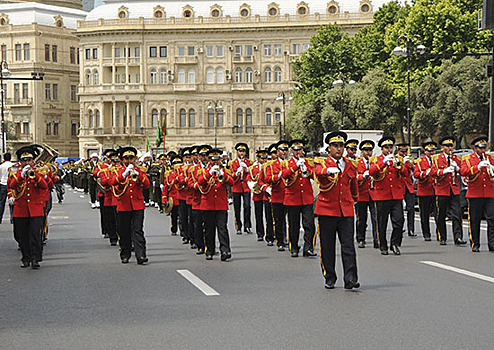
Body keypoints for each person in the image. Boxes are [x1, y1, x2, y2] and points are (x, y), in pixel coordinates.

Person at [314, 131, 359, 290]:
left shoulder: (351, 165)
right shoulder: (322, 162)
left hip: (345, 210)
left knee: (348, 246)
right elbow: (318, 173)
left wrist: (354, 200)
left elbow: (353, 186)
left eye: (341, 146)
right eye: (335, 146)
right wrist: (328, 171)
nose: (339, 149)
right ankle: (330, 276)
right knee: (327, 246)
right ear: (329, 148)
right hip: (327, 209)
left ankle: (350, 278)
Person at [8, 146, 48, 269]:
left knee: (35, 235)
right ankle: (26, 258)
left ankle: (35, 259)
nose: (27, 163)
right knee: (22, 235)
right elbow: (12, 185)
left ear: (33, 161)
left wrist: (35, 175)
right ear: (20, 162)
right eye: (24, 160)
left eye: (29, 160)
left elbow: (44, 185)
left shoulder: (39, 171)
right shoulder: (15, 171)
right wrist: (21, 175)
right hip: (21, 209)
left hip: (36, 209)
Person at [111, 147, 151, 264]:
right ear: (122, 160)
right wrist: (124, 174)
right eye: (126, 158)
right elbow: (113, 182)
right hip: (123, 205)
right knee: (124, 231)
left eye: (131, 158)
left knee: (138, 230)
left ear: (135, 158)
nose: (129, 160)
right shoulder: (118, 170)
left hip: (137, 205)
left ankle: (141, 255)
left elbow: (146, 185)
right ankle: (125, 253)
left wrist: (138, 174)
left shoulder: (140, 170)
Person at [369, 136, 406, 255]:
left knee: (399, 221)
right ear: (381, 149)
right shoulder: (375, 160)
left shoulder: (397, 158)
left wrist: (400, 166)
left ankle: (395, 243)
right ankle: (383, 245)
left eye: (391, 147)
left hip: (396, 195)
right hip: (381, 195)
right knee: (381, 223)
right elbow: (372, 171)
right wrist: (383, 162)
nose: (389, 149)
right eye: (386, 147)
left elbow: (406, 173)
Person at [197, 148, 234, 261]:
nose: (216, 162)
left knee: (222, 228)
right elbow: (200, 182)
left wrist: (224, 175)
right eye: (213, 160)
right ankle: (210, 250)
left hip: (221, 204)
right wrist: (209, 173)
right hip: (207, 204)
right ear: (209, 160)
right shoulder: (203, 171)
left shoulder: (224, 170)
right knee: (209, 229)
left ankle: (225, 250)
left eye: (217, 160)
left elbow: (232, 183)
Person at [281, 139, 316, 258]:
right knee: (294, 225)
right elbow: (284, 175)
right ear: (292, 151)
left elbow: (314, 175)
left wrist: (307, 169)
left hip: (306, 198)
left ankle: (308, 248)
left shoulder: (308, 162)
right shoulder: (286, 163)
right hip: (292, 198)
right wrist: (296, 166)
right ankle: (294, 248)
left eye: (300, 150)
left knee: (309, 224)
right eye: (295, 150)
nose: (298, 152)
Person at [460, 136, 494, 252]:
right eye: (481, 148)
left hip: (489, 193)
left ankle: (492, 243)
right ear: (475, 148)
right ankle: (475, 243)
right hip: (475, 193)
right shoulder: (468, 159)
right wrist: (477, 167)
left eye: (485, 148)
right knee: (475, 220)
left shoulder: (490, 158)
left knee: (492, 218)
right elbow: (463, 171)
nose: (483, 150)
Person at [431, 136, 467, 246]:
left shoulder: (457, 158)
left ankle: (458, 237)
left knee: (457, 214)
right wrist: (444, 171)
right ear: (442, 147)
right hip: (442, 190)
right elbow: (433, 172)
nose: (450, 148)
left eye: (451, 146)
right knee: (441, 214)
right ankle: (442, 237)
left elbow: (463, 172)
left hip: (454, 189)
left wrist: (457, 169)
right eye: (447, 146)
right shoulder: (436, 159)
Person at [265, 141, 289, 251]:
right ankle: (280, 241)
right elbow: (268, 179)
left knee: (291, 221)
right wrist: (278, 176)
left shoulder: (292, 163)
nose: (284, 152)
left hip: (290, 196)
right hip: (278, 195)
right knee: (279, 220)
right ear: (278, 152)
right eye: (281, 150)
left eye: (286, 150)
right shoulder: (271, 165)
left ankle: (288, 239)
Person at [355, 140, 378, 248]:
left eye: (370, 150)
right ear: (362, 152)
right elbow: (354, 178)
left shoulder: (375, 162)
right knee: (361, 218)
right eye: (366, 150)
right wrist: (362, 176)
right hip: (362, 193)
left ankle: (376, 239)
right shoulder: (357, 163)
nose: (368, 152)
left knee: (376, 217)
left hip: (374, 193)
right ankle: (361, 238)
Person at [413, 141, 438, 241]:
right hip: (424, 190)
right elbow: (416, 174)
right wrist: (425, 173)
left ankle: (439, 233)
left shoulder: (437, 160)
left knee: (438, 213)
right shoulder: (419, 161)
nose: (432, 153)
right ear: (425, 151)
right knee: (424, 213)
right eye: (429, 151)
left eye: (433, 151)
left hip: (436, 190)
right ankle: (426, 233)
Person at [230, 142, 252, 234]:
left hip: (246, 187)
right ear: (237, 152)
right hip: (236, 187)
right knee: (237, 208)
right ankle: (238, 226)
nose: (241, 153)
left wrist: (247, 169)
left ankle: (247, 226)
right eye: (240, 151)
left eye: (243, 151)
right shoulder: (232, 163)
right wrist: (236, 173)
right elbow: (230, 176)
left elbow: (252, 175)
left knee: (247, 206)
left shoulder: (249, 163)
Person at [395, 143, 416, 238]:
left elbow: (414, 170)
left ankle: (411, 229)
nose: (403, 153)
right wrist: (402, 162)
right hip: (399, 186)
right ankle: (400, 227)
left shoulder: (409, 159)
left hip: (408, 186)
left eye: (405, 151)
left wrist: (411, 163)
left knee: (411, 208)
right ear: (398, 151)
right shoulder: (395, 159)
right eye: (401, 151)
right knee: (399, 210)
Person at [247, 149, 268, 242]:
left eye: (265, 158)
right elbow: (249, 179)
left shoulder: (269, 167)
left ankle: (269, 233)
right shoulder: (252, 168)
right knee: (258, 215)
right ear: (258, 158)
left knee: (268, 215)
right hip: (257, 194)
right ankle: (260, 233)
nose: (264, 160)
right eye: (262, 158)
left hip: (267, 193)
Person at [162, 155, 182, 236]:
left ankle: (183, 231)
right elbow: (166, 188)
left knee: (182, 216)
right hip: (173, 198)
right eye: (175, 164)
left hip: (181, 197)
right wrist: (164, 199)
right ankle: (174, 229)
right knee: (174, 215)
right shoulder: (169, 174)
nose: (176, 165)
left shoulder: (183, 173)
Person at [0, 152, 13, 223]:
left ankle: (0, 218)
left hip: (3, 184)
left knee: (1, 203)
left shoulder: (1, 166)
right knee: (12, 203)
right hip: (11, 184)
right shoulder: (13, 165)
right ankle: (12, 219)